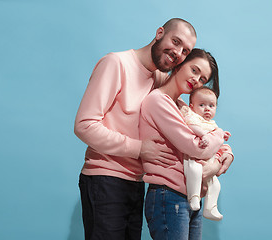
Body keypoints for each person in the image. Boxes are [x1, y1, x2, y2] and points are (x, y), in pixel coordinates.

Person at [74, 18, 197, 240]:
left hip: (138, 183)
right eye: (175, 41)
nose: (178, 52)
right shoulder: (116, 63)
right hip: (105, 178)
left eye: (185, 51)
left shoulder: (159, 79)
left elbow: (189, 122)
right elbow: (85, 125)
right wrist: (139, 148)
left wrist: (222, 152)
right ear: (159, 33)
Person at [139, 48, 234, 240]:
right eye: (194, 70)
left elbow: (207, 132)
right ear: (180, 64)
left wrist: (226, 152)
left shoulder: (181, 105)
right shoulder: (158, 101)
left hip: (189, 196)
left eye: (202, 78)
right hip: (169, 195)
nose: (196, 80)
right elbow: (197, 147)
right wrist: (219, 136)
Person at [181, 86, 233, 221]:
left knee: (215, 185)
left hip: (208, 159)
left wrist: (222, 133)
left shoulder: (211, 123)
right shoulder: (192, 117)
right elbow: (191, 126)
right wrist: (204, 134)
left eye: (211, 105)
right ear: (192, 107)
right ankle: (194, 197)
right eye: (202, 105)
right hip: (192, 159)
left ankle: (211, 208)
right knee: (195, 172)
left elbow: (216, 135)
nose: (207, 109)